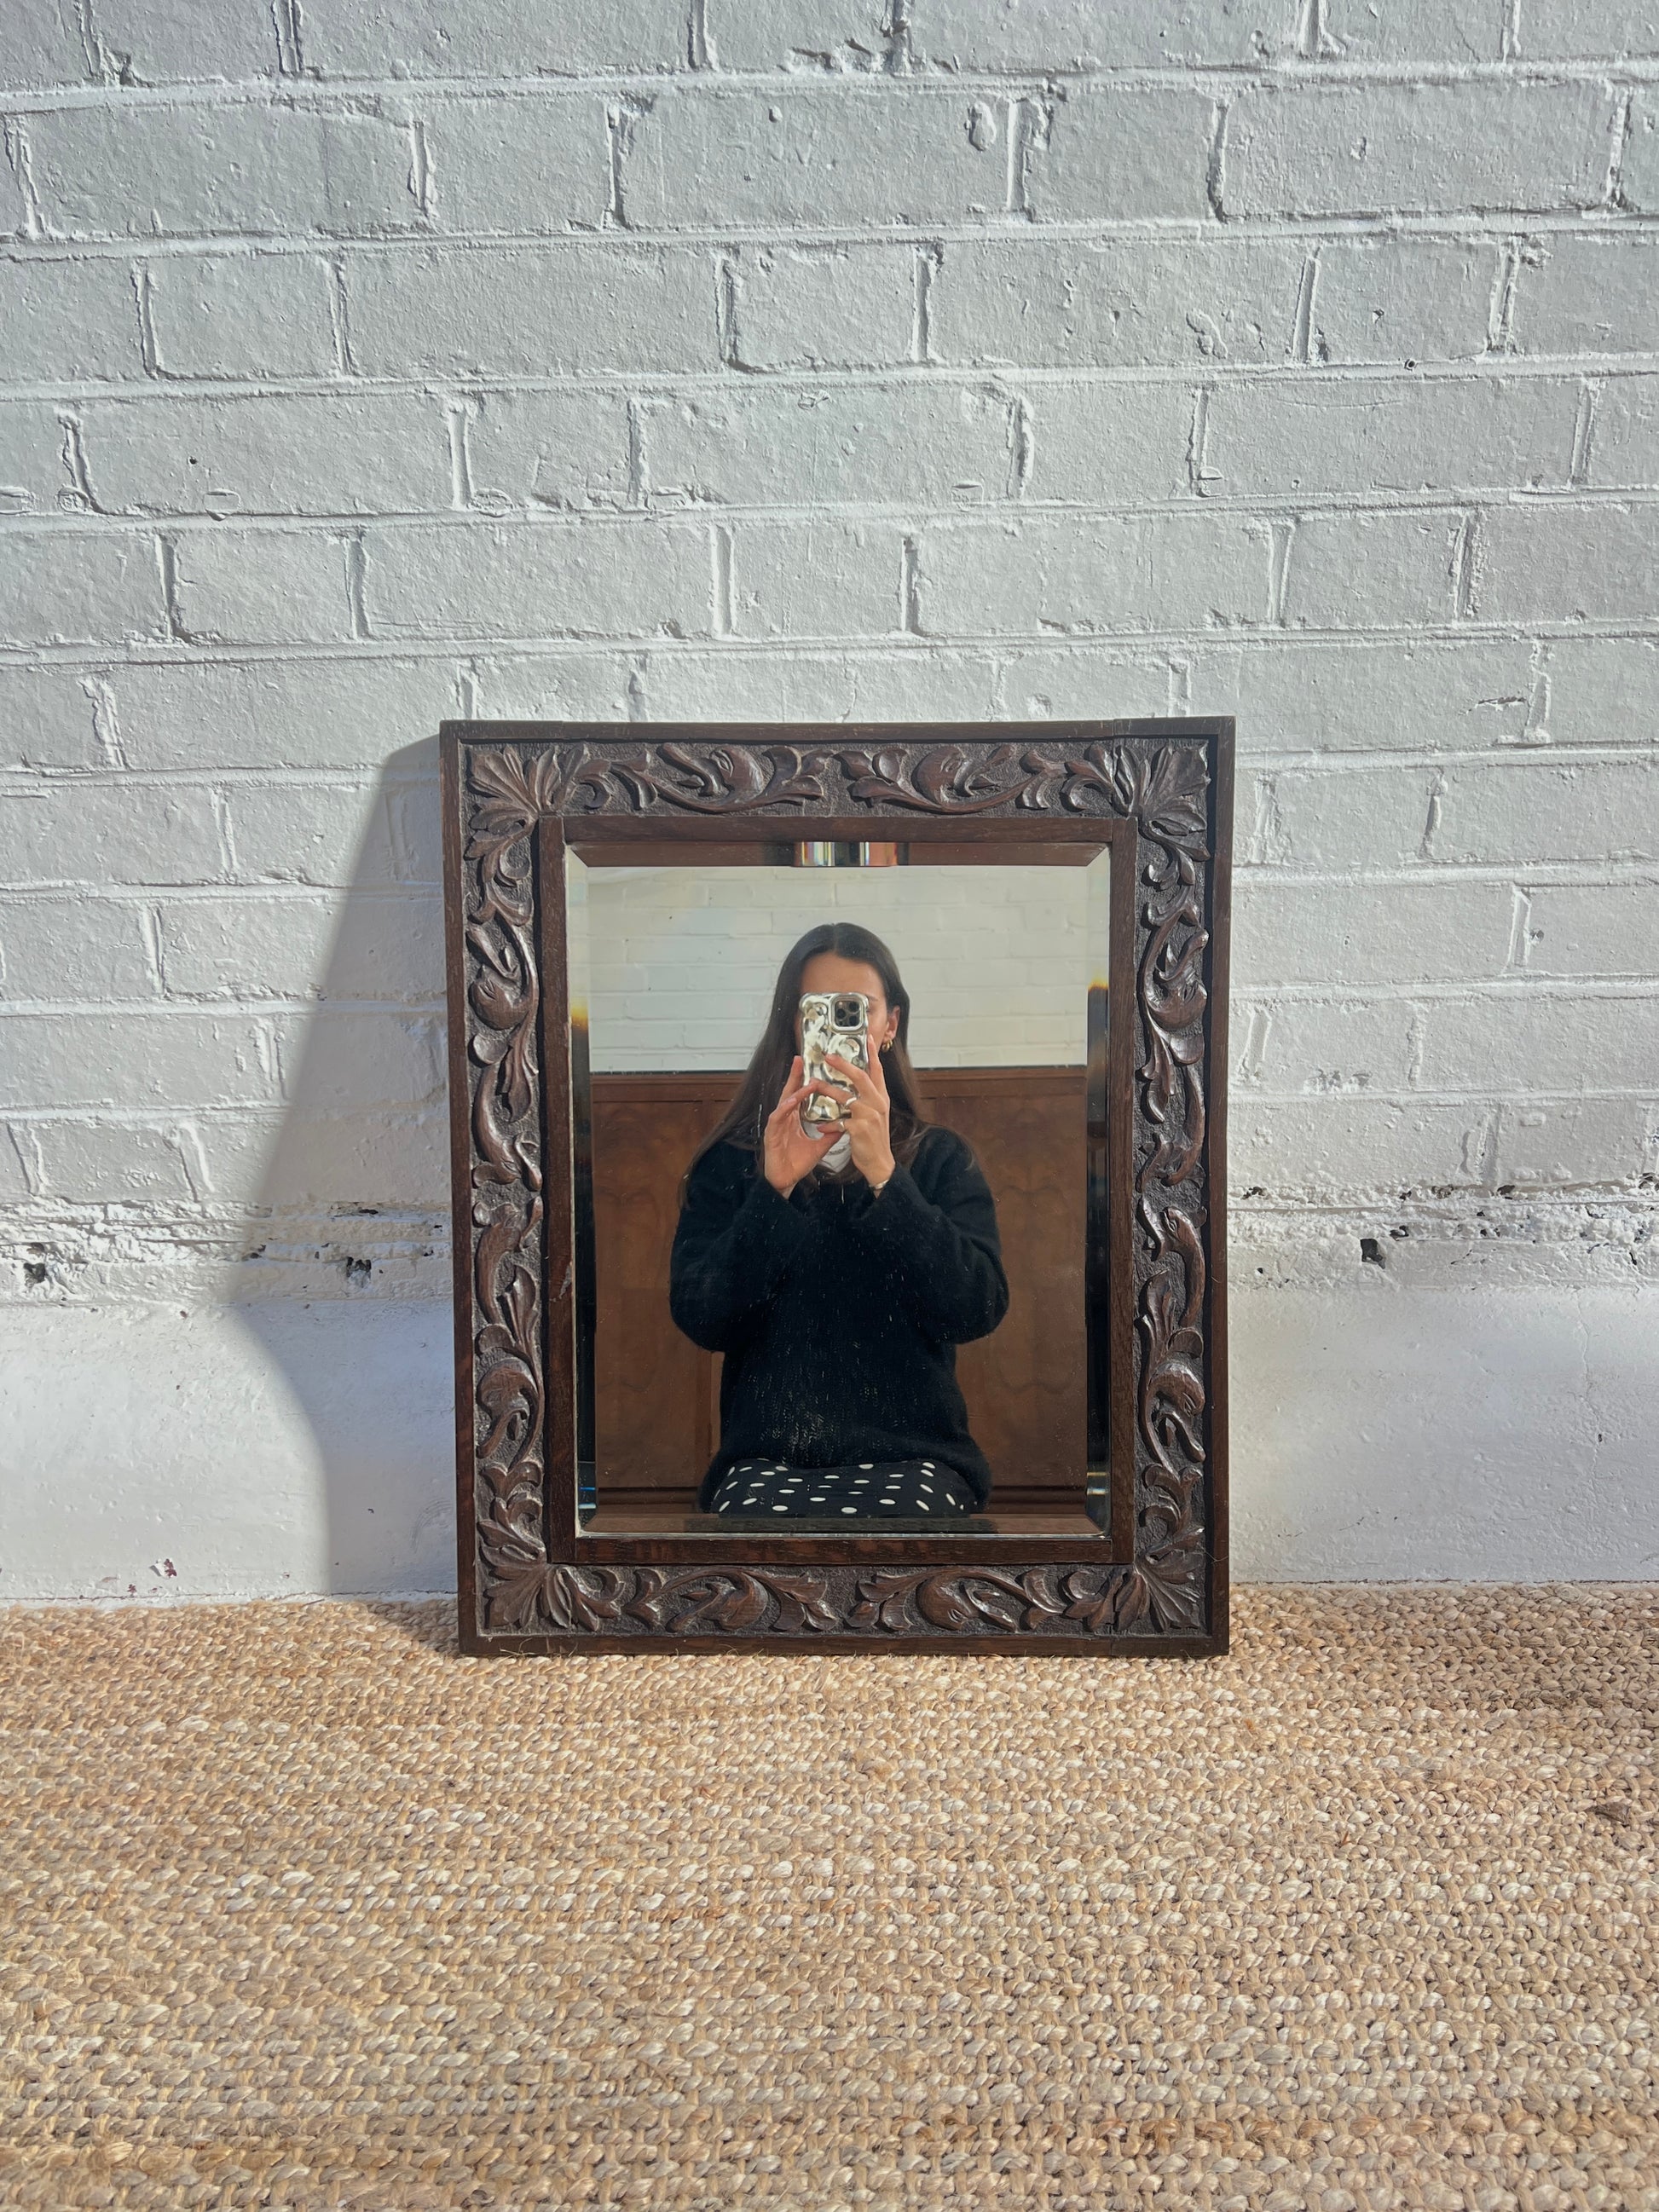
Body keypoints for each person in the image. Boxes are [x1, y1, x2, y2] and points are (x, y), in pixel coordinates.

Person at [668, 922, 1009, 1521]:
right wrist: (774, 1191)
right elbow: (703, 1317)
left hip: (918, 1458)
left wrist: (887, 1180)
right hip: (766, 1461)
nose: (835, 1027)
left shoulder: (939, 1159)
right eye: (816, 1008)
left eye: (856, 1009)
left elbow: (975, 1308)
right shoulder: (734, 1162)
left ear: (890, 1025)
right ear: (793, 1023)